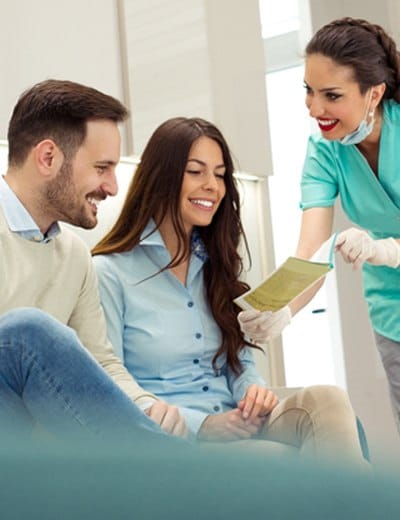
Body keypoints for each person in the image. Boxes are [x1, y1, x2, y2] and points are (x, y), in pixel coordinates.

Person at [92, 116, 367, 465]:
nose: (213, 185)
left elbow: (239, 364)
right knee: (278, 459)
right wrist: (203, 426)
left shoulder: (217, 266)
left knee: (328, 401)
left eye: (220, 174)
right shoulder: (109, 273)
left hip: (242, 424)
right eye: (196, 171)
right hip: (174, 443)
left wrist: (254, 393)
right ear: (162, 176)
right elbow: (110, 389)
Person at [0, 79, 187, 440]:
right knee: (27, 332)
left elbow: (101, 362)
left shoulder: (74, 255)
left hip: (35, 457)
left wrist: (147, 408)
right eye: (102, 168)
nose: (114, 187)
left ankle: (160, 467)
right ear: (48, 157)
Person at [237, 17, 400, 433]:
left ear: (374, 93)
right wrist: (282, 311)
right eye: (308, 91)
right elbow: (310, 252)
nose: (315, 109)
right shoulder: (324, 152)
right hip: (392, 313)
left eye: (332, 95)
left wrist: (384, 250)